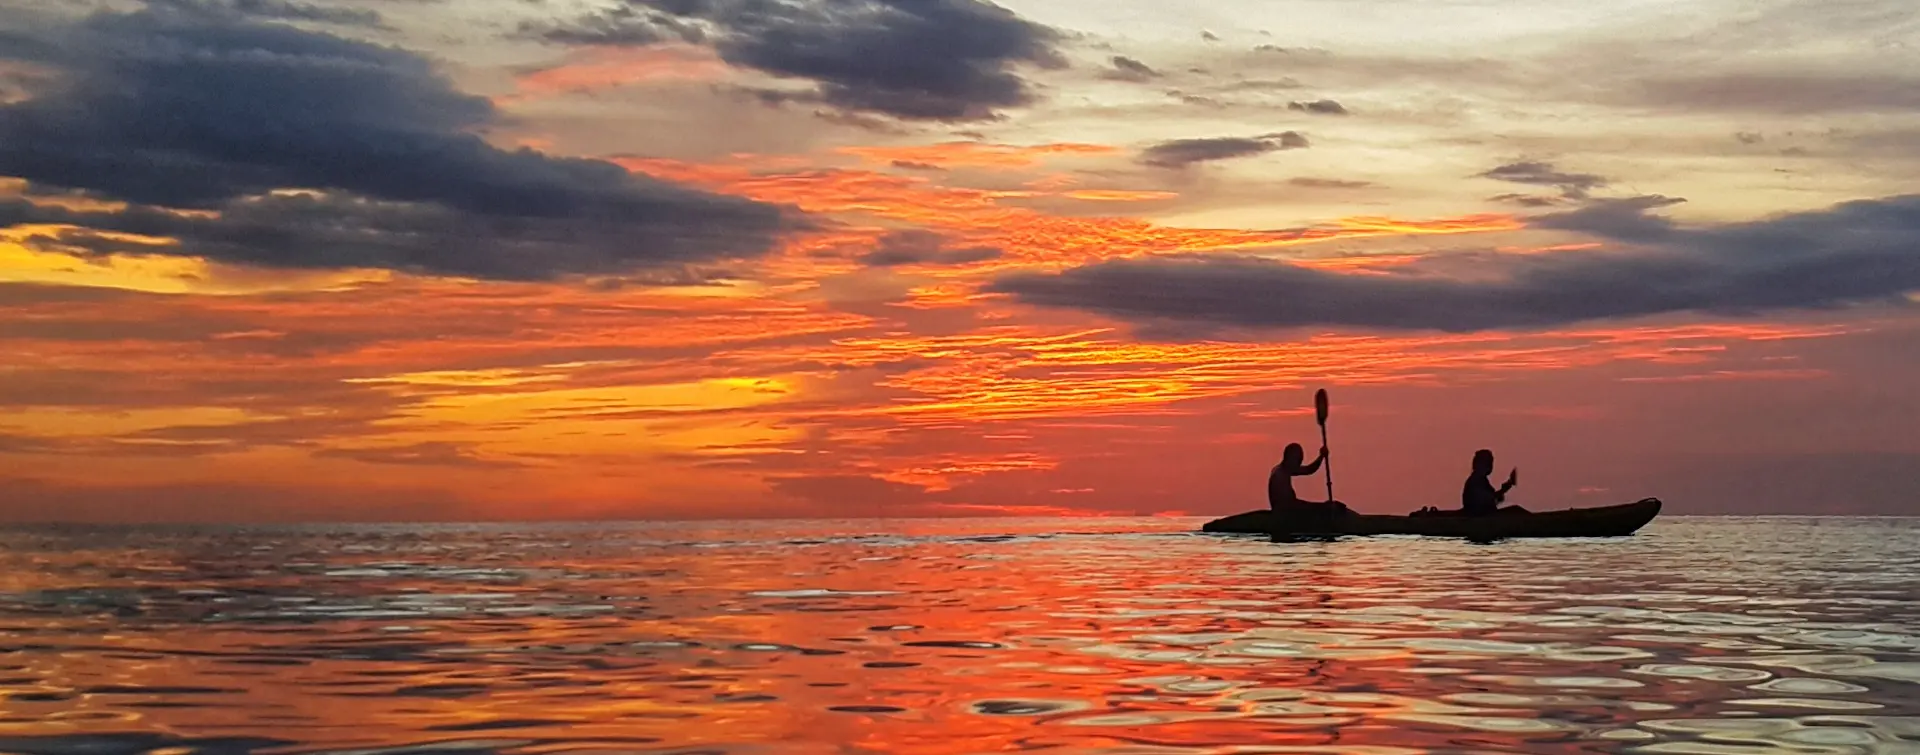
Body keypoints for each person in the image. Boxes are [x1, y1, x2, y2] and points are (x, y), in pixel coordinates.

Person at [1269, 443, 1348, 531]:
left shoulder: (1286, 469)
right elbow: (1290, 506)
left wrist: (1321, 456)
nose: (1300, 463)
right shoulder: (1279, 475)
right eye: (1298, 460)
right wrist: (1323, 507)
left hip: (1290, 510)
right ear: (1290, 458)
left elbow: (1309, 469)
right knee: (1326, 508)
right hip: (1286, 514)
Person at [1462, 449, 1521, 515]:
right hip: (1481, 517)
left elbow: (1491, 500)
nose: (1490, 465)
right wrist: (1503, 490)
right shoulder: (1475, 481)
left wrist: (1503, 490)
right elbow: (1486, 499)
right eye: (1488, 462)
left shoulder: (1481, 480)